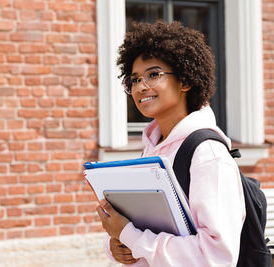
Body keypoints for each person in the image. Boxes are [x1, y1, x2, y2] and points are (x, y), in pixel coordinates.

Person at [96, 21, 245, 266]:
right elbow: (142, 228)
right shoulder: (152, 147)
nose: (140, 87)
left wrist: (130, 236)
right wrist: (117, 245)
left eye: (153, 75)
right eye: (134, 79)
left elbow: (217, 257)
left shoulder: (208, 154)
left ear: (185, 81)